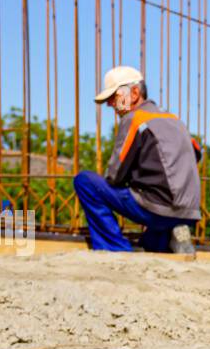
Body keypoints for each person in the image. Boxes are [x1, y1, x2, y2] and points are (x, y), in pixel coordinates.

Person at [73, 66, 202, 253]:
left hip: (158, 208)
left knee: (85, 181)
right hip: (189, 211)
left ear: (134, 93)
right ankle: (173, 233)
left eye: (113, 97)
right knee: (150, 246)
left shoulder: (134, 118)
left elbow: (114, 176)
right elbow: (197, 153)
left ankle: (115, 248)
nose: (110, 104)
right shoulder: (174, 120)